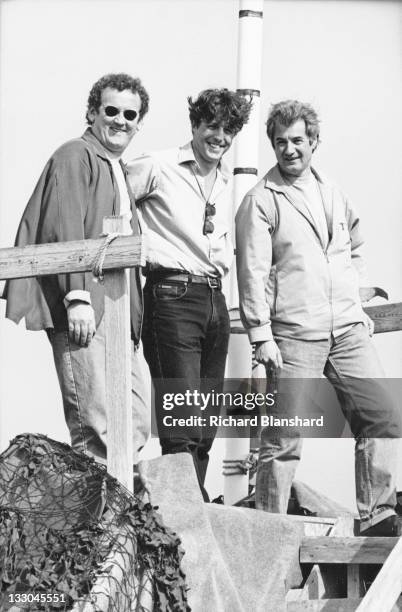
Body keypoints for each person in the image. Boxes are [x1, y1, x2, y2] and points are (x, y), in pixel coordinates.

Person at [235, 99, 400, 535]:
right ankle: (267, 533)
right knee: (283, 440)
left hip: (346, 330)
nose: (289, 150)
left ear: (314, 142)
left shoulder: (333, 191)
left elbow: (354, 248)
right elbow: (250, 272)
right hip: (292, 335)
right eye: (280, 142)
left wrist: (358, 299)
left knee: (383, 413)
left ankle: (377, 513)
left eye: (297, 140)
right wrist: (260, 335)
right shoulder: (260, 201)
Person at [5, 73, 151, 466]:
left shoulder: (116, 167)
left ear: (139, 122)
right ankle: (98, 526)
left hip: (120, 319)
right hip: (89, 309)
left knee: (136, 425)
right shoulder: (75, 154)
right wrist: (77, 297)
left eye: (130, 114)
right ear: (92, 112)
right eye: (111, 110)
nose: (121, 120)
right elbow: (64, 224)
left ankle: (124, 521)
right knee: (96, 430)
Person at [127, 88, 251, 500]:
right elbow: (109, 199)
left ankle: (190, 508)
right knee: (181, 419)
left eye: (228, 129)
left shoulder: (229, 179)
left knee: (205, 424)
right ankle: (180, 518)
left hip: (216, 301)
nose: (220, 136)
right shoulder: (157, 165)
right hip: (172, 294)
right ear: (195, 125)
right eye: (212, 126)